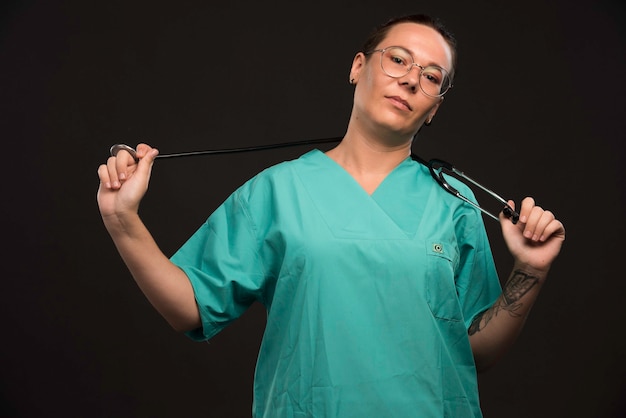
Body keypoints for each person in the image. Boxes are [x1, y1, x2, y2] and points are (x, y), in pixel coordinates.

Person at [97, 13, 565, 417]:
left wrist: (530, 271)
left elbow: (475, 351)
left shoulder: (455, 203)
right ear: (358, 67)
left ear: (434, 108)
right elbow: (189, 307)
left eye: (431, 76)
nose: (409, 79)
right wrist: (123, 221)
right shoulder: (279, 191)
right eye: (398, 59)